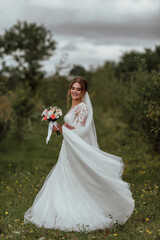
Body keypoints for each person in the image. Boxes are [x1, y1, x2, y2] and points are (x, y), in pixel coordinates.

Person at [24, 77, 135, 232]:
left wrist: (67, 129)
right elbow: (69, 128)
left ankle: (82, 211)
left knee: (77, 176)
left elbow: (81, 131)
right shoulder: (73, 105)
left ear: (83, 92)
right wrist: (56, 126)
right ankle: (58, 210)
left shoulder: (82, 107)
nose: (75, 91)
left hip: (75, 148)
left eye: (78, 89)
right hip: (68, 147)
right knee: (65, 175)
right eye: (73, 88)